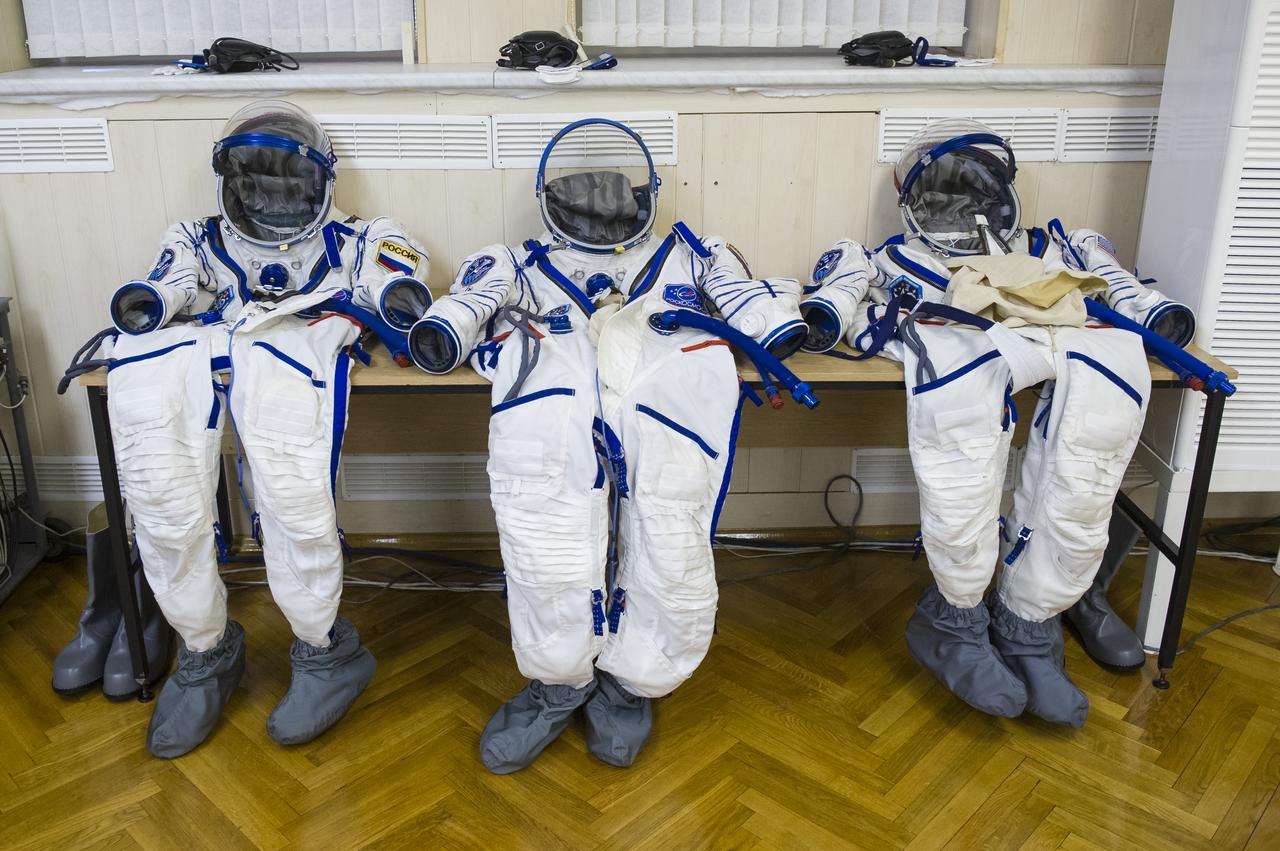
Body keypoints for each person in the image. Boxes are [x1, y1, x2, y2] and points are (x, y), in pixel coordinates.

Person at [408, 118, 814, 772]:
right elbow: (462, 311)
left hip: (664, 425)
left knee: (668, 540)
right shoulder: (519, 263)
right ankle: (558, 682)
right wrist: (442, 333)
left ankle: (632, 681)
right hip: (554, 431)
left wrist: (775, 329)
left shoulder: (691, 255)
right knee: (547, 543)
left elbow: (752, 308)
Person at [801, 119, 1196, 727]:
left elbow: (1117, 286)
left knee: (1096, 432)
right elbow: (842, 293)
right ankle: (954, 618)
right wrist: (834, 315)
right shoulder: (893, 259)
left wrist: (1151, 314)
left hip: (1058, 344)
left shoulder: (1048, 250)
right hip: (963, 347)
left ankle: (1028, 623)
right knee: (961, 434)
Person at [96, 99, 430, 757]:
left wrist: (392, 299)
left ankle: (325, 650)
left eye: (288, 175)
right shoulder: (197, 238)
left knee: (293, 498)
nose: (272, 190)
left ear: (321, 177)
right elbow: (168, 281)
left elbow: (396, 270)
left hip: (289, 377)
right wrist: (152, 305)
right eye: (254, 175)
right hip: (207, 370)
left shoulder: (360, 237)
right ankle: (205, 650)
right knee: (161, 498)